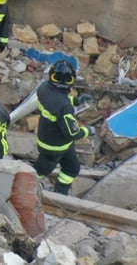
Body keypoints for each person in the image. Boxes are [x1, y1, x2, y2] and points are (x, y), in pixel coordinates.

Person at [34, 60, 95, 195]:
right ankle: (21, 189)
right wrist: (88, 131)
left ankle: (60, 194)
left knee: (72, 168)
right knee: (40, 171)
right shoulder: (64, 107)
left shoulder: (44, 88)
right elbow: (72, 133)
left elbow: (56, 101)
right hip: (55, 147)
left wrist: (76, 100)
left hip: (50, 139)